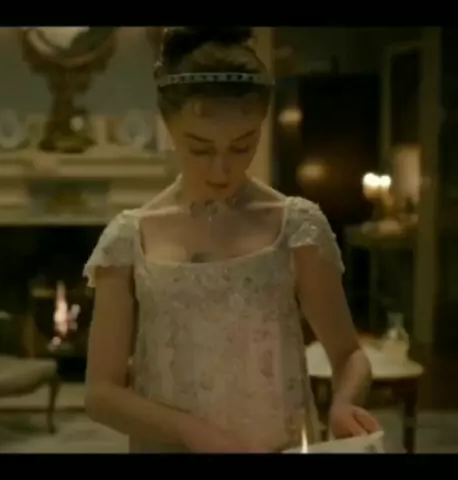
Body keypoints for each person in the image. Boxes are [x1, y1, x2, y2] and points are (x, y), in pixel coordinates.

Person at [83, 27, 380, 453]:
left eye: (242, 146)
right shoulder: (129, 238)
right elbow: (101, 393)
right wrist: (191, 432)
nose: (222, 169)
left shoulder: (296, 227)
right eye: (200, 148)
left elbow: (349, 355)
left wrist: (345, 402)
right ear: (169, 127)